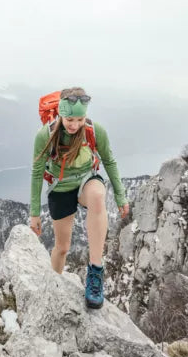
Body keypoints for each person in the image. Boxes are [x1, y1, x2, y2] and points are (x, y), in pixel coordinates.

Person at [29, 87, 130, 309]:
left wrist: (121, 196)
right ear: (60, 115)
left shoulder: (95, 131)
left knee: (97, 196)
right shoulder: (45, 135)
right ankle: (52, 286)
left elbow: (109, 161)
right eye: (69, 119)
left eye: (80, 119)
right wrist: (34, 213)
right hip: (60, 186)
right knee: (62, 248)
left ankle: (95, 273)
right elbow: (37, 172)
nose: (74, 125)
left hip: (86, 180)